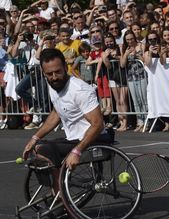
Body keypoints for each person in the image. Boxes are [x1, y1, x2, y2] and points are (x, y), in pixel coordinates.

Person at [21, 48, 109, 192]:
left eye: (58, 72)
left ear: (65, 68)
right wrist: (35, 137)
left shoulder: (79, 90)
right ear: (44, 73)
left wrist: (77, 151)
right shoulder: (53, 86)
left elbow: (98, 124)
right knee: (38, 147)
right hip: (74, 138)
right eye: (49, 74)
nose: (54, 77)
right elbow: (57, 113)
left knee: (45, 150)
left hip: (94, 138)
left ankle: (60, 195)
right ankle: (58, 189)